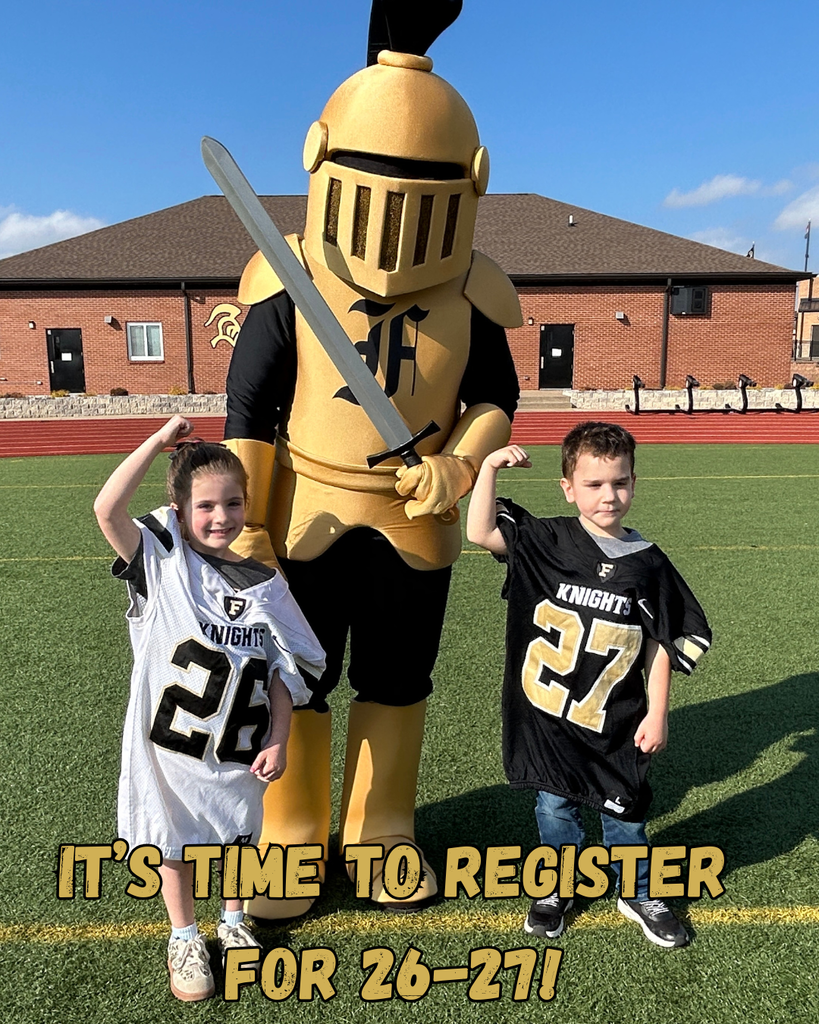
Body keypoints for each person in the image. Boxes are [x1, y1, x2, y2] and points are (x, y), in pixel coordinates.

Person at [93, 416, 325, 1000]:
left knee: (240, 839)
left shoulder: (265, 583)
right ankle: (185, 936)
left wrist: (279, 735)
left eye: (233, 502)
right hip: (171, 752)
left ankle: (234, 921)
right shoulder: (163, 563)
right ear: (178, 509)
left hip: (240, 750)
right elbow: (107, 511)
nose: (221, 517)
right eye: (205, 506)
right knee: (173, 842)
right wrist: (156, 441)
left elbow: (286, 667)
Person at [466, 422, 711, 948]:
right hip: (551, 719)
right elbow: (480, 532)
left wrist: (658, 712)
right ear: (568, 487)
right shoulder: (546, 540)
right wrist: (486, 468)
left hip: (616, 719)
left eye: (620, 483)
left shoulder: (647, 562)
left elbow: (661, 642)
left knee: (626, 810)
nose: (610, 496)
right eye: (595, 485)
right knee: (554, 808)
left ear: (634, 483)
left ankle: (637, 890)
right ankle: (557, 887)